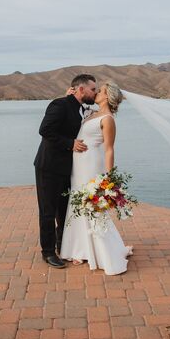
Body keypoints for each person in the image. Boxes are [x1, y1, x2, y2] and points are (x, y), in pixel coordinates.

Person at [60, 81, 133, 275]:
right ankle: (79, 248)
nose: (96, 92)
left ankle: (97, 250)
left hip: (92, 164)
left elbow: (109, 149)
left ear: (107, 96)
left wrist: (109, 179)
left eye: (99, 91)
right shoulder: (91, 113)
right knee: (77, 202)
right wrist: (67, 96)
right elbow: (73, 107)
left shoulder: (108, 119)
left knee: (89, 203)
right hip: (78, 164)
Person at [34, 74, 97, 268]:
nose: (95, 92)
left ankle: (63, 245)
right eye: (93, 89)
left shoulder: (80, 107)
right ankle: (47, 252)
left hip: (68, 169)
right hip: (49, 167)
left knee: (64, 210)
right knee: (48, 211)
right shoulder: (59, 105)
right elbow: (45, 130)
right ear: (80, 90)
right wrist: (70, 144)